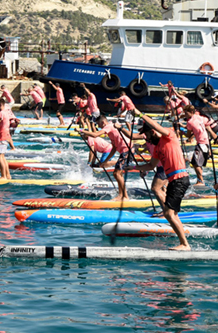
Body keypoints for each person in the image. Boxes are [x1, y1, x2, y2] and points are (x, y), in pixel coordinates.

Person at [133, 109, 192, 251]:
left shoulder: (169, 136)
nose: (146, 138)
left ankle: (185, 244)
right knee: (172, 213)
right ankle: (183, 242)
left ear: (153, 131)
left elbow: (154, 124)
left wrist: (139, 113)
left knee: (168, 213)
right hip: (173, 181)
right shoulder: (158, 148)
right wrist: (132, 168)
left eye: (146, 134)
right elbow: (151, 165)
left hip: (180, 179)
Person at [78, 114, 133, 201]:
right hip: (125, 151)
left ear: (103, 122)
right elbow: (114, 148)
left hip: (127, 150)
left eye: (99, 124)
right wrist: (106, 161)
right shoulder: (111, 131)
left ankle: (124, 196)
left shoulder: (109, 126)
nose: (99, 127)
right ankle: (122, 195)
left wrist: (81, 130)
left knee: (117, 173)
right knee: (118, 173)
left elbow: (95, 135)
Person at [183, 105, 210, 186]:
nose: (185, 115)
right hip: (206, 141)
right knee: (198, 163)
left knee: (195, 163)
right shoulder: (199, 117)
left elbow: (188, 135)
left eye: (186, 113)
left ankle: (201, 181)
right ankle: (199, 180)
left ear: (191, 112)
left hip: (201, 143)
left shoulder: (190, 122)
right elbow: (208, 120)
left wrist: (182, 131)